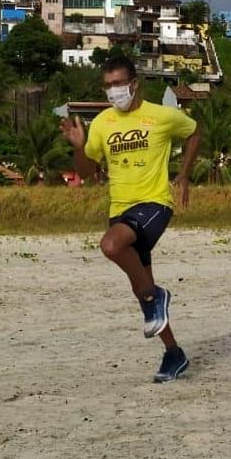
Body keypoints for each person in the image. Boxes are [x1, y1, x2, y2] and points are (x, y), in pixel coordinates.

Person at [60, 56, 202, 383]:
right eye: (108, 85)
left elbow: (194, 133)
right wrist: (80, 147)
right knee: (142, 289)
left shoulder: (162, 115)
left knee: (111, 246)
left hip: (154, 204)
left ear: (134, 84)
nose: (113, 91)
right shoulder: (103, 123)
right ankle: (174, 354)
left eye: (118, 84)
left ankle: (159, 296)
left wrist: (183, 176)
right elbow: (85, 171)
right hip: (119, 210)